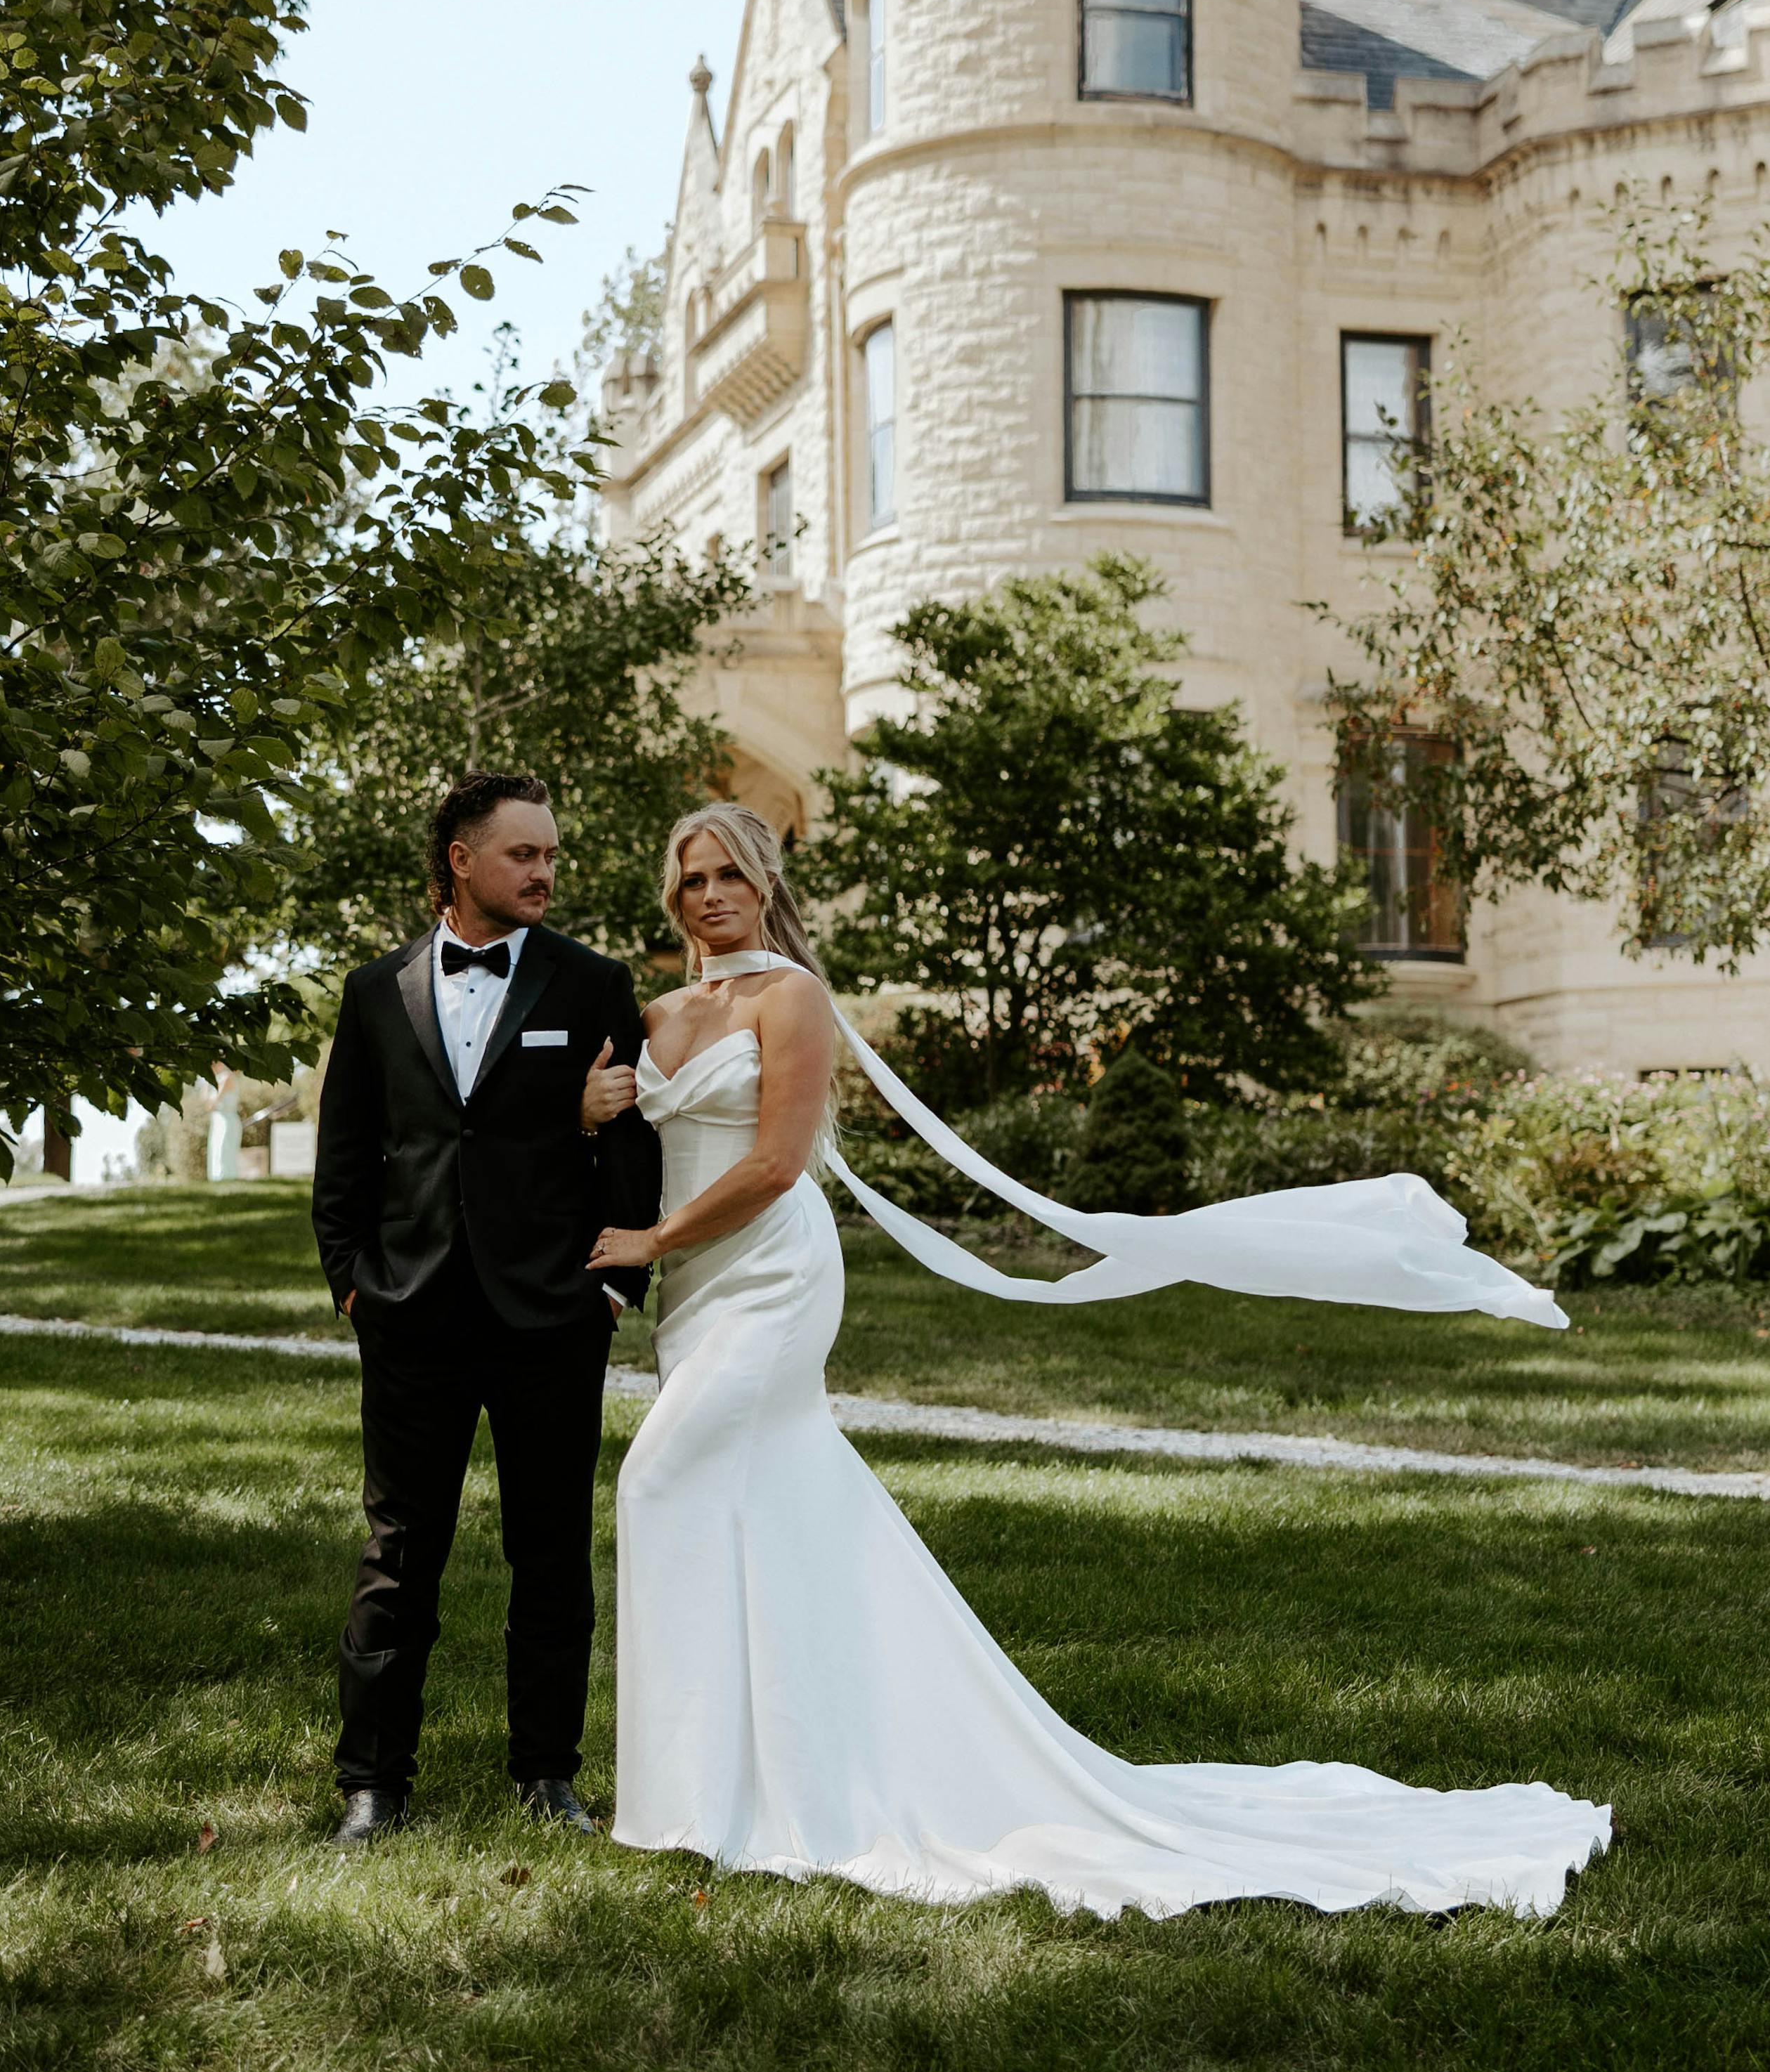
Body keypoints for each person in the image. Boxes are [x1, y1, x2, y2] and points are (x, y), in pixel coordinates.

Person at [584, 802, 1611, 1920]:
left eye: (731, 874)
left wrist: (649, 1242)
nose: (712, 895)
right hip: (691, 1293)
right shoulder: (659, 1011)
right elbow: (638, 1147)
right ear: (671, 896)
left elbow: (779, 1162)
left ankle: (686, 1797)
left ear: (767, 885)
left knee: (659, 1478)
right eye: (692, 880)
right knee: (757, 1510)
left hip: (772, 1281)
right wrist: (596, 1116)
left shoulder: (793, 997)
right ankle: (740, 1780)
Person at [312, 771, 661, 1844]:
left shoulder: (593, 985)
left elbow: (632, 1143)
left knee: (549, 1550)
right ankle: (374, 1784)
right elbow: (346, 1160)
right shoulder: (376, 993)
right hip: (411, 1312)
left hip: (551, 1315)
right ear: (461, 859)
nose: (545, 871)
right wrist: (354, 1285)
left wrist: (612, 1286)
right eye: (524, 855)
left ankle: (547, 1775)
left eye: (551, 855)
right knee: (396, 1551)